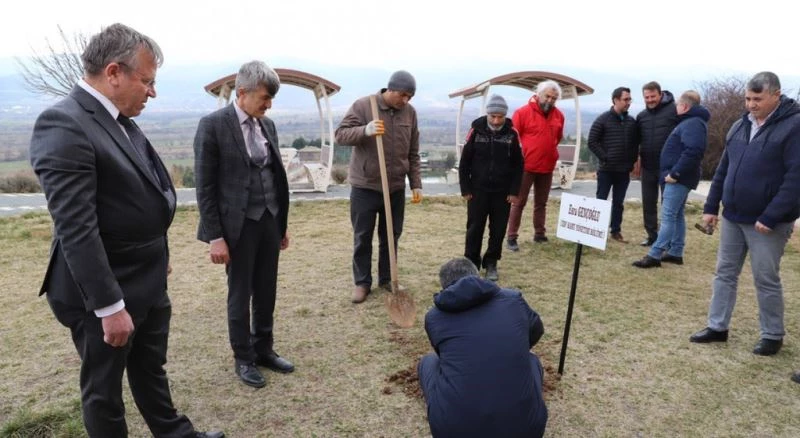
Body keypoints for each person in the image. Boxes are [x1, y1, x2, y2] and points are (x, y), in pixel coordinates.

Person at [29, 23, 223, 438]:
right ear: (114, 72)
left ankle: (174, 433)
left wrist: (160, 259)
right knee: (104, 390)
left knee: (150, 367)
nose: (152, 93)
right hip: (103, 290)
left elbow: (143, 197)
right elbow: (76, 227)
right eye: (147, 81)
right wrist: (108, 306)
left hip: (146, 276)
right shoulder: (64, 124)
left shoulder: (118, 118)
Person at [194, 61, 293, 388]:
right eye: (265, 97)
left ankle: (264, 348)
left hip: (268, 220)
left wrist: (281, 223)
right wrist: (215, 237)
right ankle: (243, 357)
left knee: (267, 289)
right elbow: (205, 187)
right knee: (240, 294)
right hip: (236, 227)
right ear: (242, 93)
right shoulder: (212, 126)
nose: (269, 104)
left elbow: (274, 176)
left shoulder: (269, 126)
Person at [689, 72, 800, 359]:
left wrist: (772, 215)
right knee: (724, 273)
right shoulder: (740, 126)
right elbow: (723, 170)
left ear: (776, 94)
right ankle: (717, 327)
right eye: (748, 98)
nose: (751, 104)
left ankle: (772, 334)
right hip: (733, 216)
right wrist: (712, 208)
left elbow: (795, 178)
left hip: (767, 222)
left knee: (765, 278)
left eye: (758, 99)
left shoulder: (793, 126)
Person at [418, 258, 547, 438]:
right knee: (532, 359)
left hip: (453, 431)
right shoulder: (513, 299)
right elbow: (536, 331)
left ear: (444, 286)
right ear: (477, 277)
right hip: (526, 430)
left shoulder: (434, 317)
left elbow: (442, 357)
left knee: (428, 361)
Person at [335, 70, 423, 304]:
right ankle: (362, 283)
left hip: (395, 187)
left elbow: (413, 152)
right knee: (362, 236)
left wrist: (416, 183)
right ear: (390, 90)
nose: (405, 101)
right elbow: (340, 135)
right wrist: (365, 130)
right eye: (402, 95)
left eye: (409, 97)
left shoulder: (410, 113)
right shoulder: (365, 106)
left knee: (391, 236)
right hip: (365, 186)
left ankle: (387, 278)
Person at [633, 90, 709, 268]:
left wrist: (675, 174)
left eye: (677, 106)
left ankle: (655, 254)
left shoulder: (693, 124)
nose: (675, 108)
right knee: (676, 215)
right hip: (678, 177)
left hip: (678, 179)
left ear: (684, 106)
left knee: (667, 216)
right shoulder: (690, 122)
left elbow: (693, 152)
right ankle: (675, 252)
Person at [458, 95, 523, 282]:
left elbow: (519, 164)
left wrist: (514, 190)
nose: (496, 121)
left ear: (505, 116)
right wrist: (465, 188)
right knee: (474, 228)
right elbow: (465, 162)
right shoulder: (476, 131)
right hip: (477, 190)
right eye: (492, 116)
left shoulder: (512, 134)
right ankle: (471, 262)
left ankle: (491, 262)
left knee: (498, 229)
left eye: (499, 117)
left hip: (502, 193)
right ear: (487, 114)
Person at [505, 80, 564, 251]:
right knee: (518, 202)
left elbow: (557, 138)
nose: (550, 100)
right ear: (539, 94)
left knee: (541, 203)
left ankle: (539, 234)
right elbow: (513, 139)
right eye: (547, 96)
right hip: (525, 167)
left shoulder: (559, 115)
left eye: (554, 98)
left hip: (547, 165)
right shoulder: (522, 113)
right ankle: (511, 237)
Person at [587, 86, 640, 243]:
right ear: (616, 100)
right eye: (625, 99)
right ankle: (597, 231)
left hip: (623, 171)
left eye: (630, 99)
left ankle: (615, 231)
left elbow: (635, 144)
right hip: (606, 170)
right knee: (601, 201)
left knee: (618, 203)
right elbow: (592, 141)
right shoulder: (602, 119)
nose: (628, 102)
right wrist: (605, 158)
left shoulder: (631, 122)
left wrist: (631, 162)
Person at [636, 81, 679, 246]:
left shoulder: (674, 111)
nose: (650, 100)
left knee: (667, 205)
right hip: (648, 165)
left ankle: (668, 240)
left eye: (653, 96)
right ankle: (652, 236)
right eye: (646, 97)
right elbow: (637, 141)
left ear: (660, 94)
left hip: (668, 167)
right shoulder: (642, 116)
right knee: (648, 203)